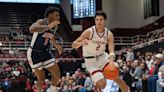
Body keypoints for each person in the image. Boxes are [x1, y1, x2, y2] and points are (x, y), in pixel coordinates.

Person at [72, 10, 129, 92]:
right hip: (91, 61)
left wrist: (111, 62)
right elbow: (73, 44)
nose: (99, 21)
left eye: (101, 19)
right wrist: (81, 43)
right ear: (95, 20)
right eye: (97, 19)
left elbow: (111, 49)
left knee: (117, 78)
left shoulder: (109, 34)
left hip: (103, 57)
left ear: (104, 20)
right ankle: (97, 83)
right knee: (102, 84)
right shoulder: (89, 31)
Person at [27, 6, 62, 92]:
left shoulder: (55, 26)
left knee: (57, 75)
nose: (58, 17)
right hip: (34, 53)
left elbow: (51, 36)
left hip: (45, 52)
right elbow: (31, 29)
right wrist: (48, 27)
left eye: (59, 15)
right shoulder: (42, 21)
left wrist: (57, 46)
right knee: (41, 78)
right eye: (56, 15)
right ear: (50, 15)